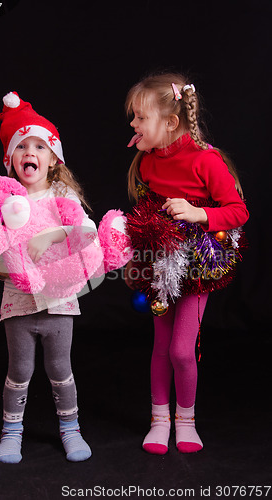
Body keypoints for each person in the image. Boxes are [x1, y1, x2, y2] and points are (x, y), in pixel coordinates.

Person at [124, 73, 249, 454]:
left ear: (171, 122)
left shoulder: (205, 161)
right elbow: (144, 211)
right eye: (133, 117)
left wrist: (198, 214)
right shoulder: (146, 163)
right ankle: (159, 419)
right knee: (161, 346)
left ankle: (186, 418)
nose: (133, 124)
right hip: (161, 263)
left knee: (182, 349)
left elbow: (238, 211)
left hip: (198, 265)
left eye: (140, 118)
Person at [0, 91, 95, 464]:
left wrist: (54, 234)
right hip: (17, 302)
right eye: (21, 147)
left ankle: (70, 430)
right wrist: (2, 266)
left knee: (59, 367)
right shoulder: (4, 200)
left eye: (38, 146)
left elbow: (88, 231)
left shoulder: (62, 195)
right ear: (11, 160)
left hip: (59, 301)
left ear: (52, 160)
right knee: (19, 369)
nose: (29, 152)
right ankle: (11, 432)